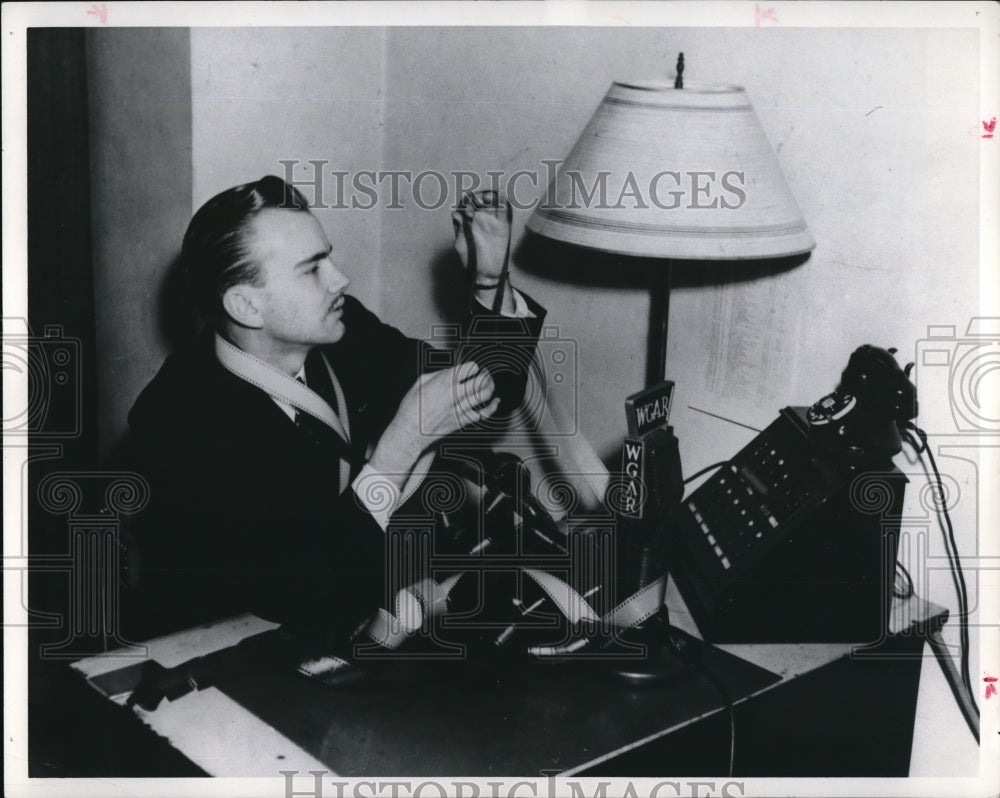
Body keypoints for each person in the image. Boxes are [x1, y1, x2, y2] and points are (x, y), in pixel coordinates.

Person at [121, 176, 545, 642]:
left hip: (382, 616)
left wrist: (489, 279)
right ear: (246, 305)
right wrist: (402, 445)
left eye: (329, 255)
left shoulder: (341, 332)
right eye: (312, 268)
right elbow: (298, 595)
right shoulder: (173, 423)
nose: (340, 278)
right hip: (252, 656)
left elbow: (480, 392)